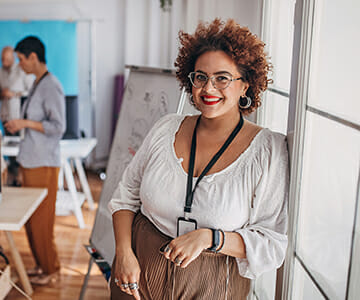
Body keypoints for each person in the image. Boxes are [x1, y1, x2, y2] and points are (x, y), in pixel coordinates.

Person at [109, 18, 289, 300]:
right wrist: (123, 252)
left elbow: (272, 243)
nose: (208, 88)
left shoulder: (268, 150)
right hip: (136, 275)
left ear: (246, 85)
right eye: (200, 77)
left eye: (222, 78)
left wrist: (210, 237)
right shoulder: (166, 128)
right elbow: (125, 195)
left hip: (212, 284)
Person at [5, 36, 65, 285]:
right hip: (31, 160)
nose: (19, 65)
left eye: (21, 60)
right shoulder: (37, 83)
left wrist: (24, 123)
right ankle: (42, 266)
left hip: (43, 163)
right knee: (32, 220)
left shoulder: (51, 86)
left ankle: (51, 270)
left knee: (42, 221)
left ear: (33, 57)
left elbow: (59, 126)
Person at [0, 46, 34, 186]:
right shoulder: (0, 72)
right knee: (10, 150)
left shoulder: (22, 72)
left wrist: (13, 94)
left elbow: (31, 92)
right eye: (2, 59)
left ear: (12, 58)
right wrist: (3, 94)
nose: (4, 62)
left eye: (7, 59)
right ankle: (14, 180)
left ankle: (23, 179)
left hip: (20, 118)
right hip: (6, 116)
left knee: (22, 148)